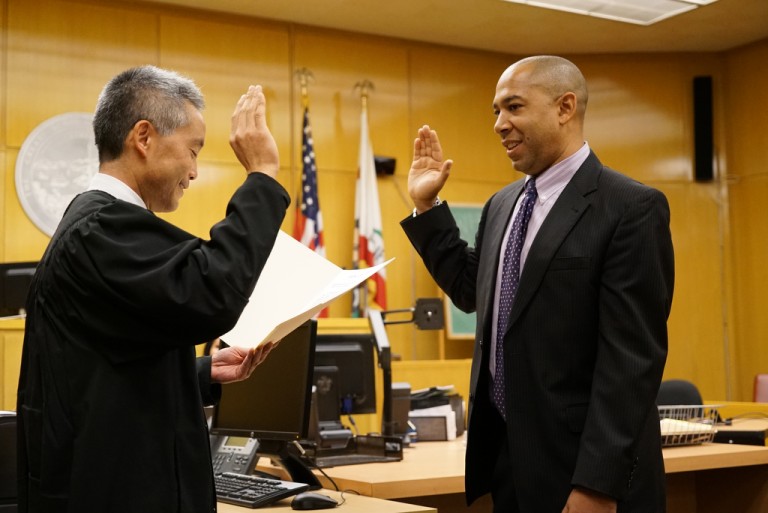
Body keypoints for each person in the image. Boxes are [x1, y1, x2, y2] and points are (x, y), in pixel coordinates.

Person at [401, 55, 674, 513]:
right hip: (511, 466)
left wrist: (597, 485)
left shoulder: (630, 207)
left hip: (584, 476)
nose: (499, 124)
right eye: (496, 111)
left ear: (565, 107)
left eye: (514, 107)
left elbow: (631, 362)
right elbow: (473, 292)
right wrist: (427, 209)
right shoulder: (503, 204)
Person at [16, 66, 290, 512]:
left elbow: (114, 363)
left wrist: (201, 373)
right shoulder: (101, 230)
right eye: (193, 150)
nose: (196, 171)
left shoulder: (101, 227)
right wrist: (262, 174)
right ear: (143, 138)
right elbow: (212, 294)